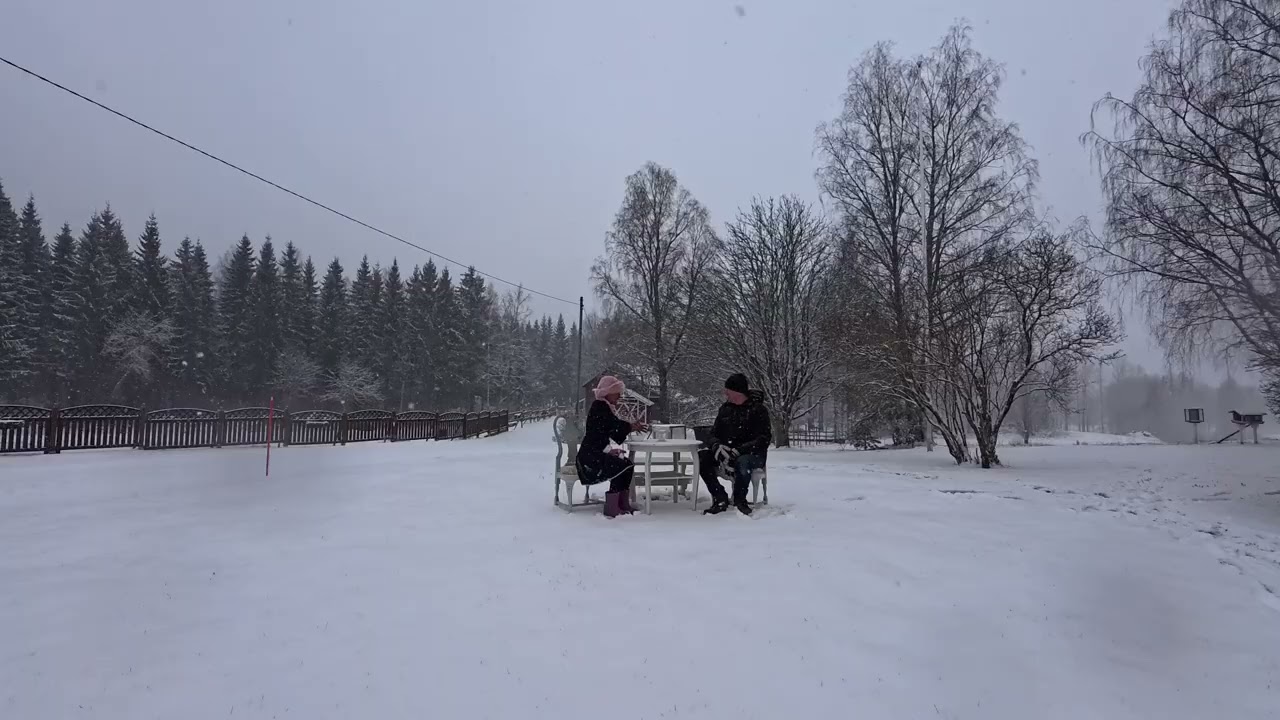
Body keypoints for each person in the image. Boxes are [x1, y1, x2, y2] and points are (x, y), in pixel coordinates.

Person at [699, 373, 771, 516]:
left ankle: (740, 500)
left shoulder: (758, 410)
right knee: (702, 458)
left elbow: (764, 438)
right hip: (726, 450)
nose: (725, 393)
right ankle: (719, 497)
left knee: (742, 462)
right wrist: (716, 446)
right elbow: (713, 433)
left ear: (737, 391)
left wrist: (740, 449)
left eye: (728, 390)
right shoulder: (725, 409)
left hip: (753, 454)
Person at [576, 375, 647, 517]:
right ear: (608, 392)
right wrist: (630, 426)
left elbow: (608, 429)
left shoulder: (604, 407)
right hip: (589, 457)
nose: (619, 396)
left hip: (596, 453)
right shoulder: (600, 406)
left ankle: (622, 503)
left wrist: (609, 450)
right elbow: (612, 426)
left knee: (627, 464)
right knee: (619, 466)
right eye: (617, 392)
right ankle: (612, 507)